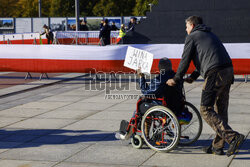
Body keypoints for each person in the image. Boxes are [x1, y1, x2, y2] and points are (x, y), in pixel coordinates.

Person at [166, 16, 245, 156]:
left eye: (186, 26)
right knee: (221, 109)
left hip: (215, 73)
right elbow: (206, 58)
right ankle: (217, 146)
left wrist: (176, 79)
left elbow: (185, 60)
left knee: (205, 109)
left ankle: (233, 137)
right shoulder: (209, 34)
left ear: (192, 25)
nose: (185, 29)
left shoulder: (192, 37)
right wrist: (193, 77)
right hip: (228, 71)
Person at [116, 58, 192, 140]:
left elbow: (146, 92)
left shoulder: (159, 79)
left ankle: (135, 133)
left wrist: (141, 77)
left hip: (164, 106)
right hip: (177, 105)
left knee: (142, 105)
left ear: (159, 68)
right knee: (148, 104)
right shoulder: (177, 77)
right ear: (170, 66)